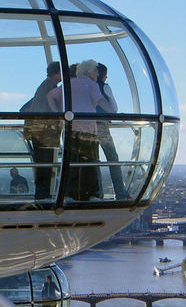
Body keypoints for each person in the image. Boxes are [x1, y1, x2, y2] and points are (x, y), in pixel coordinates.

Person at [46, 59, 104, 201]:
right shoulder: (91, 85)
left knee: (71, 160)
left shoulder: (69, 85)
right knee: (89, 161)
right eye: (95, 71)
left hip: (71, 129)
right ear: (89, 72)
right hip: (88, 130)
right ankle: (91, 193)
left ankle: (69, 193)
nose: (97, 74)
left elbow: (50, 96)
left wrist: (59, 115)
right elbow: (101, 103)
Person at [24, 61, 62, 199]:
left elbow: (25, 108)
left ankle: (41, 194)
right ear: (58, 72)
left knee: (42, 163)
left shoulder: (44, 86)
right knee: (45, 163)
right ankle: (42, 195)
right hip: (44, 131)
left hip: (38, 130)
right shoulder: (50, 88)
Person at [96, 63, 127, 199]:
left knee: (93, 160)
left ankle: (97, 192)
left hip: (86, 126)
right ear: (103, 75)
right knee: (112, 158)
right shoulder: (104, 87)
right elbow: (113, 108)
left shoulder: (86, 88)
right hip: (101, 125)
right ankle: (120, 192)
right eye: (106, 74)